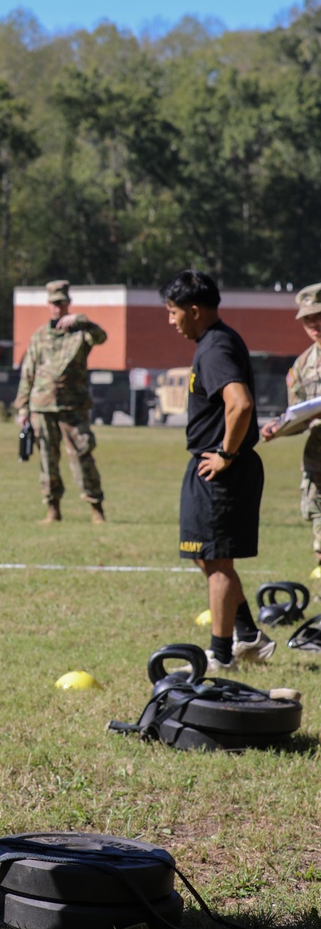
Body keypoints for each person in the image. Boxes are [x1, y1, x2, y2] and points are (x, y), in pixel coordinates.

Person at [161, 269, 274, 673]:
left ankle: (221, 654)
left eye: (173, 312)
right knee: (205, 557)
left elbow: (239, 404)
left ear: (194, 310)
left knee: (218, 562)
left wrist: (226, 453)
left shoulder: (215, 348)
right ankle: (247, 635)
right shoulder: (214, 341)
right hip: (213, 468)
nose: (170, 321)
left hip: (223, 470)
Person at [13, 279, 107, 524]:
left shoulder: (80, 332)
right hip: (42, 406)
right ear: (48, 305)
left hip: (73, 406)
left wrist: (83, 320)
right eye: (54, 303)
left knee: (82, 455)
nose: (58, 308)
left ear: (69, 304)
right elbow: (28, 372)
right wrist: (22, 407)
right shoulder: (39, 336)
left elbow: (101, 337)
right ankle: (52, 509)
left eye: (62, 303)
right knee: (47, 459)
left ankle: (96, 508)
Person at [261, 281, 321, 565]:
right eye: (307, 319)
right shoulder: (302, 365)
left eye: (318, 316)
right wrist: (279, 427)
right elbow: (296, 413)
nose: (313, 324)